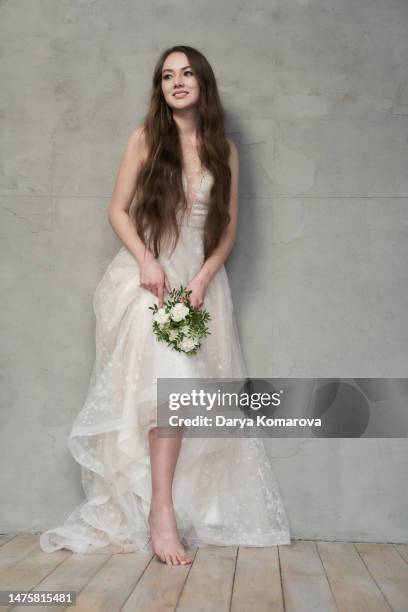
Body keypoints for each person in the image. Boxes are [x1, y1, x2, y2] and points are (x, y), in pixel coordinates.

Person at [40, 45, 291, 566]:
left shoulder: (224, 148)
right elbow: (117, 210)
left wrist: (201, 279)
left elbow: (228, 229)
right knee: (167, 382)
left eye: (187, 74)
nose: (177, 82)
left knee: (178, 395)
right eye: (167, 76)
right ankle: (160, 514)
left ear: (203, 83)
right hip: (146, 279)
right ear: (160, 88)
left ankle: (166, 508)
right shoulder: (145, 138)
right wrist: (147, 262)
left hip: (196, 285)